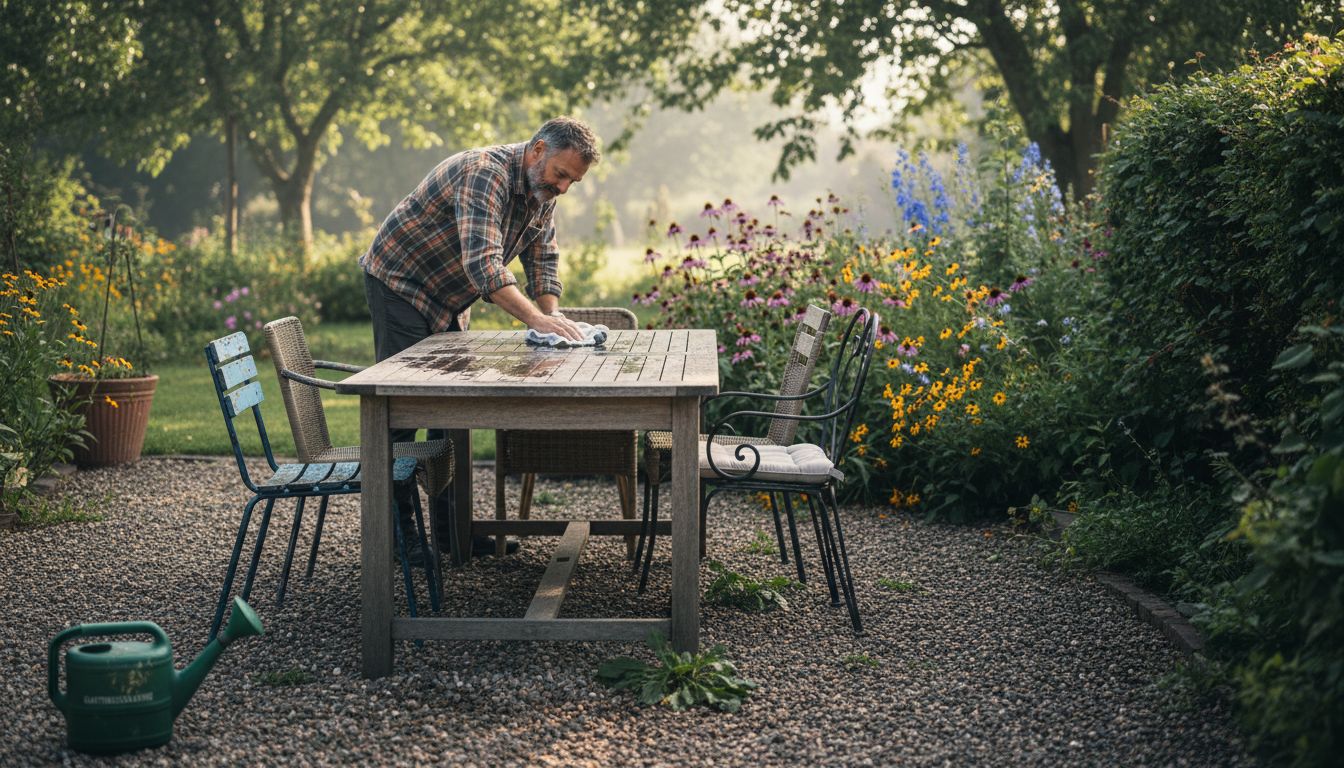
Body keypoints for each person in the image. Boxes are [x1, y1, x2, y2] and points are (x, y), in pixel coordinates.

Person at [360, 116, 599, 558]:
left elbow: (543, 255)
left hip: (449, 297)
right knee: (404, 412)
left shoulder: (542, 191)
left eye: (574, 181)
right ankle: (398, 536)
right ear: (538, 150)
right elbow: (484, 265)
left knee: (453, 412)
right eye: (561, 174)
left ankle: (454, 532)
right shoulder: (483, 173)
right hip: (401, 282)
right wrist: (536, 322)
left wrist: (552, 315)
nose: (564, 187)